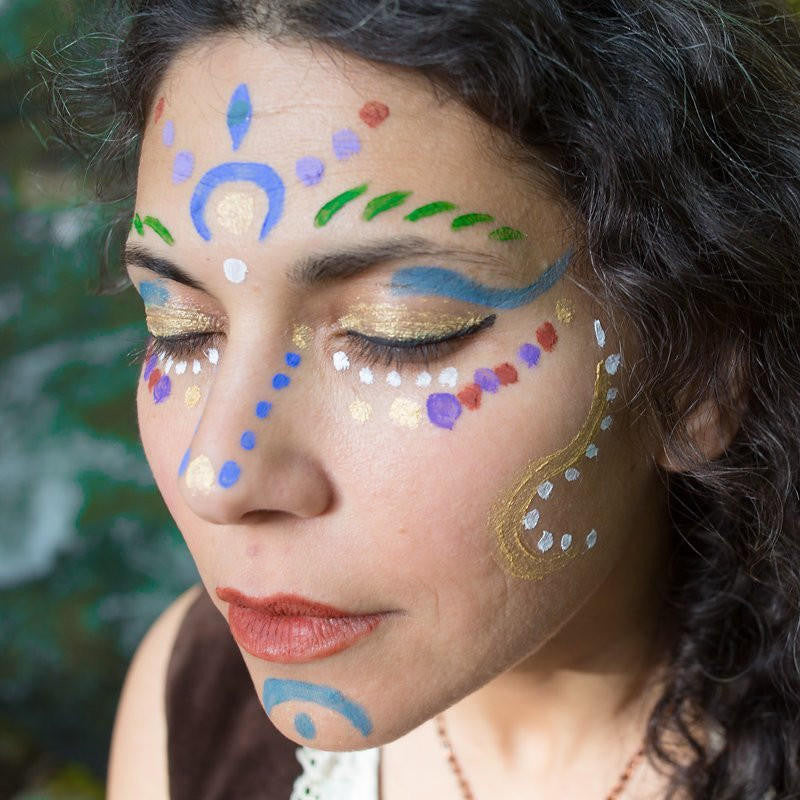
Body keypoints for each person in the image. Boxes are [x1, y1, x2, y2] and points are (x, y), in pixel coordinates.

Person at [41, 1, 800, 797]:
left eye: (398, 333)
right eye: (181, 327)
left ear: (698, 376)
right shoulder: (190, 698)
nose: (219, 477)